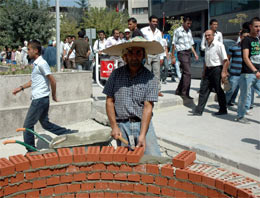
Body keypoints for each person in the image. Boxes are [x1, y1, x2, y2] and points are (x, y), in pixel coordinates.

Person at [102, 37, 163, 156]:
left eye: (138, 53)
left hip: (143, 125)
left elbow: (148, 107)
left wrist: (142, 135)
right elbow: (109, 101)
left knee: (153, 160)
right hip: (122, 126)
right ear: (125, 56)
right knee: (126, 162)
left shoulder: (150, 78)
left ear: (143, 56)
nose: (134, 56)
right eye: (131, 52)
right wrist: (114, 126)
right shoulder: (115, 75)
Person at [12, 40, 75, 152]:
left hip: (40, 100)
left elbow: (53, 80)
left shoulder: (41, 63)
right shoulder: (37, 63)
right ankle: (69, 134)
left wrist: (54, 96)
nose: (28, 52)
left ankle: (31, 151)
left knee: (27, 127)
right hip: (41, 99)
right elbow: (34, 81)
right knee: (45, 124)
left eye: (29, 50)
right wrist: (21, 88)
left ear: (36, 51)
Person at [193, 30, 229, 116]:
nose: (207, 37)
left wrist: (224, 72)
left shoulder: (219, 45)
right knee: (203, 90)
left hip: (217, 69)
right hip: (208, 70)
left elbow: (225, 60)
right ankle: (199, 110)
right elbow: (206, 60)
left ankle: (223, 109)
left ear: (213, 36)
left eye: (209, 35)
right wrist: (204, 71)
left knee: (219, 90)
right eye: (206, 36)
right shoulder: (207, 46)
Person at [236, 17, 260, 123]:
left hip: (258, 72)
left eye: (259, 26)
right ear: (250, 27)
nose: (258, 28)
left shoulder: (258, 40)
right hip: (248, 73)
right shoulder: (246, 40)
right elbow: (245, 58)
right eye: (256, 26)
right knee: (244, 95)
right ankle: (240, 116)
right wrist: (255, 71)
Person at [171, 16, 199, 100]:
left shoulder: (189, 31)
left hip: (188, 53)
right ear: (183, 22)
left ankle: (178, 90)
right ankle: (185, 93)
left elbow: (191, 44)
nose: (189, 25)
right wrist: (173, 56)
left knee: (185, 73)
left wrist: (195, 53)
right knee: (188, 73)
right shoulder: (177, 31)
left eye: (190, 23)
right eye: (188, 23)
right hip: (181, 53)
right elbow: (173, 44)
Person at [225, 30, 250, 106]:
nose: (245, 38)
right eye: (244, 37)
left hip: (244, 73)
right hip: (234, 73)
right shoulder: (234, 47)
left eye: (247, 37)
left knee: (237, 90)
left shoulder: (249, 49)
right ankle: (224, 104)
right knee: (231, 90)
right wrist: (225, 70)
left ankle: (231, 101)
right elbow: (227, 59)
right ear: (240, 37)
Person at [141, 15, 164, 96]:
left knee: (157, 73)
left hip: (156, 54)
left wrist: (161, 57)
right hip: (147, 54)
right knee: (146, 72)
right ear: (149, 22)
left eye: (156, 22)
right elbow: (140, 42)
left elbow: (161, 45)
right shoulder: (143, 30)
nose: (155, 23)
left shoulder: (158, 32)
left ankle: (157, 90)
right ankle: (145, 90)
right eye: (153, 21)